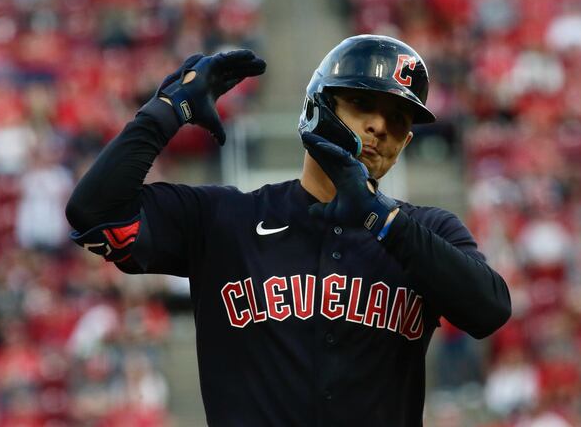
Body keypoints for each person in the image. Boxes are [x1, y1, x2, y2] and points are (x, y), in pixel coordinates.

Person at [65, 35, 511, 427]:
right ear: (318, 106)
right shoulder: (225, 219)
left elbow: (489, 309)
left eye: (398, 119)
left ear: (407, 142)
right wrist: (165, 112)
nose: (379, 126)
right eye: (361, 104)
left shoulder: (425, 230)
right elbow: (94, 211)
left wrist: (380, 218)